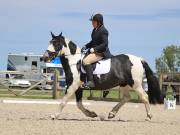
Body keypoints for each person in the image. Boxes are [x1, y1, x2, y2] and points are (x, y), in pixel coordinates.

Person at [82, 13, 112, 87]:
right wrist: (86, 46)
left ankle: (90, 81)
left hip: (101, 52)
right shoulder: (94, 30)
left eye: (94, 22)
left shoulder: (104, 31)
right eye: (92, 22)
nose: (92, 23)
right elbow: (93, 41)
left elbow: (105, 44)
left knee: (86, 61)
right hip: (95, 51)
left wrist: (93, 49)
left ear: (98, 22)